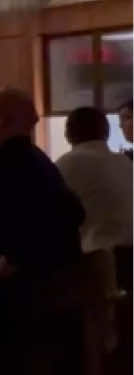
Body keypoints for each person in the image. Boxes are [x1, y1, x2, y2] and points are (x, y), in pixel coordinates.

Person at [0, 88, 84, 375]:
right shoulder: (34, 160)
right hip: (54, 290)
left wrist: (15, 258)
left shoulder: (11, 164)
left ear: (5, 123)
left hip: (27, 296)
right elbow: (71, 212)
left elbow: (67, 214)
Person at [57, 106, 132, 292]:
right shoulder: (125, 163)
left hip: (96, 263)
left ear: (68, 134)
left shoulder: (66, 164)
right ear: (106, 132)